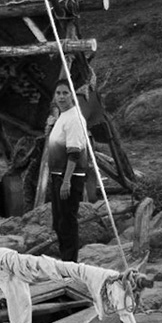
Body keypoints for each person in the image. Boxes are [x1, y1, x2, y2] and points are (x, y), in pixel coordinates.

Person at [35, 83, 99, 261]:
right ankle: (65, 259)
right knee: (59, 221)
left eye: (65, 93)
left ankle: (70, 262)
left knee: (67, 221)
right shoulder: (62, 117)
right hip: (58, 175)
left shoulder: (75, 118)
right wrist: (49, 130)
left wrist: (66, 181)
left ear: (72, 96)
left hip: (69, 176)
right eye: (58, 93)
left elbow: (74, 152)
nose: (61, 97)